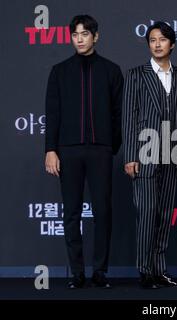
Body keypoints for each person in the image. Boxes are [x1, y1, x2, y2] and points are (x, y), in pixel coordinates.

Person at [45, 14, 123, 288]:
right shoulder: (60, 71)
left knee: (103, 211)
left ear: (95, 36)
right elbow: (52, 115)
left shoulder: (111, 71)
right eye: (75, 34)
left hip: (101, 150)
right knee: (71, 212)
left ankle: (100, 271)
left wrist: (110, 146)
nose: (79, 39)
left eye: (85, 34)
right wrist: (51, 150)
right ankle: (77, 272)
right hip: (68, 151)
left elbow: (118, 114)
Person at [122, 21, 177, 289]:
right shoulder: (136, 75)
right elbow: (129, 118)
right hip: (144, 153)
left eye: (162, 39)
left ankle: (160, 270)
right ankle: (145, 270)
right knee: (148, 212)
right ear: (148, 44)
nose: (157, 44)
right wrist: (131, 156)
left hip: (173, 153)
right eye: (152, 40)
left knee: (164, 213)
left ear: (171, 44)